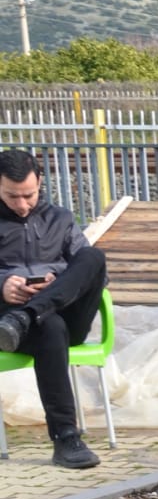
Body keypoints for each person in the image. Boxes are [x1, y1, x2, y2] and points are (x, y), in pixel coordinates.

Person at [0, 149, 110, 469]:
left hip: (64, 312)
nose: (21, 204)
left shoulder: (61, 218)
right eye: (11, 196)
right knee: (50, 327)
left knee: (94, 258)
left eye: (28, 195)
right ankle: (66, 438)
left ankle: (31, 312)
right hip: (9, 324)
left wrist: (56, 282)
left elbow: (96, 278)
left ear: (40, 184)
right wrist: (4, 285)